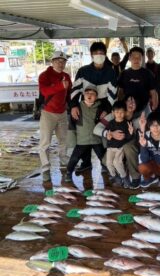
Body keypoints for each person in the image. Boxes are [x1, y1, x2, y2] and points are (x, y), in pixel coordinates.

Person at [70, 41, 117, 172]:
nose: (99, 55)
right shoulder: (83, 71)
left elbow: (112, 94)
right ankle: (85, 162)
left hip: (103, 106)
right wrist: (74, 106)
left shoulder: (111, 72)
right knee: (84, 134)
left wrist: (107, 110)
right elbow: (75, 91)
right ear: (91, 55)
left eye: (101, 53)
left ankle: (104, 163)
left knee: (102, 135)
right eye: (96, 53)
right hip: (85, 106)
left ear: (105, 55)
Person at [93, 95, 142, 189]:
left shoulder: (138, 116)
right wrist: (110, 133)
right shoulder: (113, 115)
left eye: (134, 102)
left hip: (128, 142)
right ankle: (118, 174)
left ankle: (135, 177)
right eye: (129, 101)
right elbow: (96, 129)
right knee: (105, 161)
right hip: (114, 145)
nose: (131, 104)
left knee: (128, 147)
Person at [38, 51, 72, 182]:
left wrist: (71, 106)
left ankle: (64, 161)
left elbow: (69, 93)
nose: (60, 63)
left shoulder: (67, 76)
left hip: (62, 113)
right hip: (48, 113)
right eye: (58, 61)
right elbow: (44, 91)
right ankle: (46, 168)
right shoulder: (44, 75)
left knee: (63, 140)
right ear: (52, 62)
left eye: (63, 61)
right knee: (45, 142)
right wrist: (60, 86)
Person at [65, 84, 103, 182]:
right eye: (87, 93)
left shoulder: (100, 108)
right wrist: (72, 141)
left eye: (93, 93)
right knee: (74, 158)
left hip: (96, 139)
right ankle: (69, 172)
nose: (89, 95)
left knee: (103, 156)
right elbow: (71, 126)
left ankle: (107, 169)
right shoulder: (77, 107)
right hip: (82, 140)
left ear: (97, 96)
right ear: (83, 95)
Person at [118, 46, 158, 114]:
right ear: (129, 58)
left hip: (144, 108)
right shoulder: (124, 73)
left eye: (139, 57)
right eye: (133, 57)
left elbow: (153, 92)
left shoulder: (148, 73)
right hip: (127, 108)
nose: (136, 59)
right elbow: (120, 92)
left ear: (142, 59)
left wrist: (154, 106)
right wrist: (120, 106)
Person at [106, 101, 133, 188]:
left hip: (120, 148)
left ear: (125, 112)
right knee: (109, 163)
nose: (119, 114)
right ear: (113, 113)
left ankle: (124, 177)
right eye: (117, 112)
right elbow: (108, 135)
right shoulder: (110, 123)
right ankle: (115, 177)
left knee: (117, 162)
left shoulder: (127, 123)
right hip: (110, 148)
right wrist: (109, 137)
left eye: (121, 112)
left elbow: (128, 138)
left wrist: (131, 133)